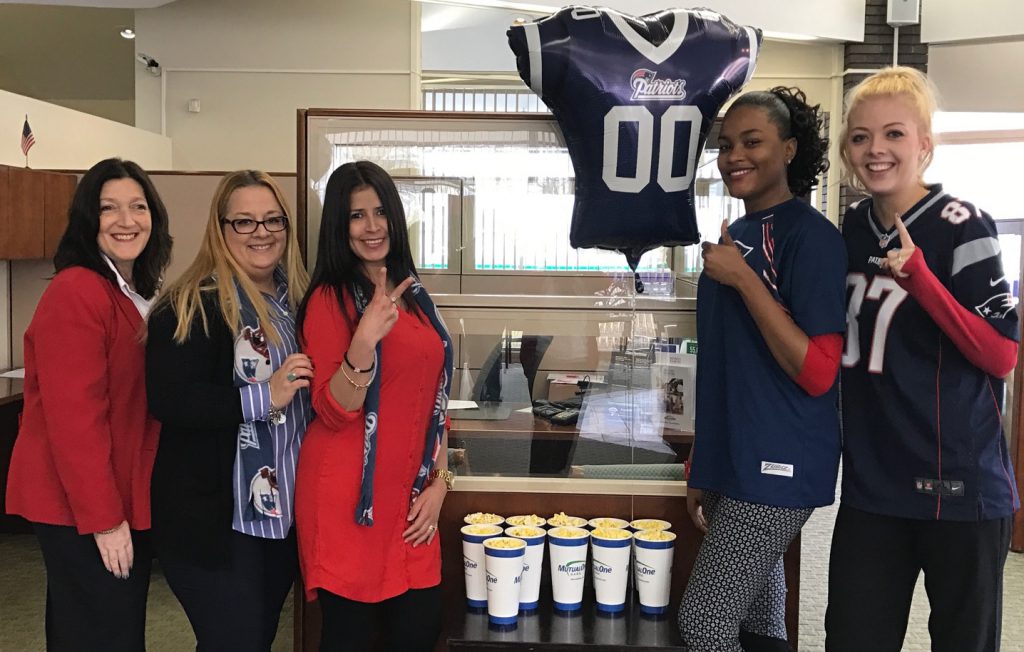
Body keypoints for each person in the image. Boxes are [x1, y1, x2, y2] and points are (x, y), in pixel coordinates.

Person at [826, 66, 1019, 652]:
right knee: (853, 637)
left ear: (925, 145)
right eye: (860, 137)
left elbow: (1001, 354)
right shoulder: (849, 230)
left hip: (959, 487)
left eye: (894, 134)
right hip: (870, 486)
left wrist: (922, 281)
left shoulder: (964, 225)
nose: (875, 150)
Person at [679, 87, 847, 652]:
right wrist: (706, 463)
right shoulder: (738, 237)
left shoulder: (812, 238)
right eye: (726, 145)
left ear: (791, 149)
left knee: (704, 623)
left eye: (753, 142)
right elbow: (727, 368)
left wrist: (744, 278)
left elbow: (820, 371)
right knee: (758, 621)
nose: (734, 157)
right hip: (738, 457)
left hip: (780, 465)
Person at [6, 158, 172, 651]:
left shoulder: (130, 289)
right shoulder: (77, 291)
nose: (127, 221)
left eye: (138, 207)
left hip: (112, 493)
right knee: (103, 631)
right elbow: (75, 420)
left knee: (93, 627)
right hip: (82, 504)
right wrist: (104, 520)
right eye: (109, 209)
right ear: (86, 220)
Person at [145, 170, 311, 651]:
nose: (261, 232)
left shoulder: (296, 301)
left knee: (251, 640)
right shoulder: (190, 303)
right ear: (220, 228)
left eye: (272, 219)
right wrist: (266, 394)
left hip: (280, 518)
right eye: (244, 221)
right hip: (216, 521)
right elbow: (171, 400)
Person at [294, 160, 454, 652]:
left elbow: (435, 402)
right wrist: (362, 341)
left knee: (419, 631)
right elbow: (334, 410)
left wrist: (442, 483)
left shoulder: (413, 294)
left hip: (409, 503)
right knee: (352, 640)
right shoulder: (329, 299)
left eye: (381, 211)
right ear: (340, 229)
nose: (372, 226)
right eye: (356, 215)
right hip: (349, 504)